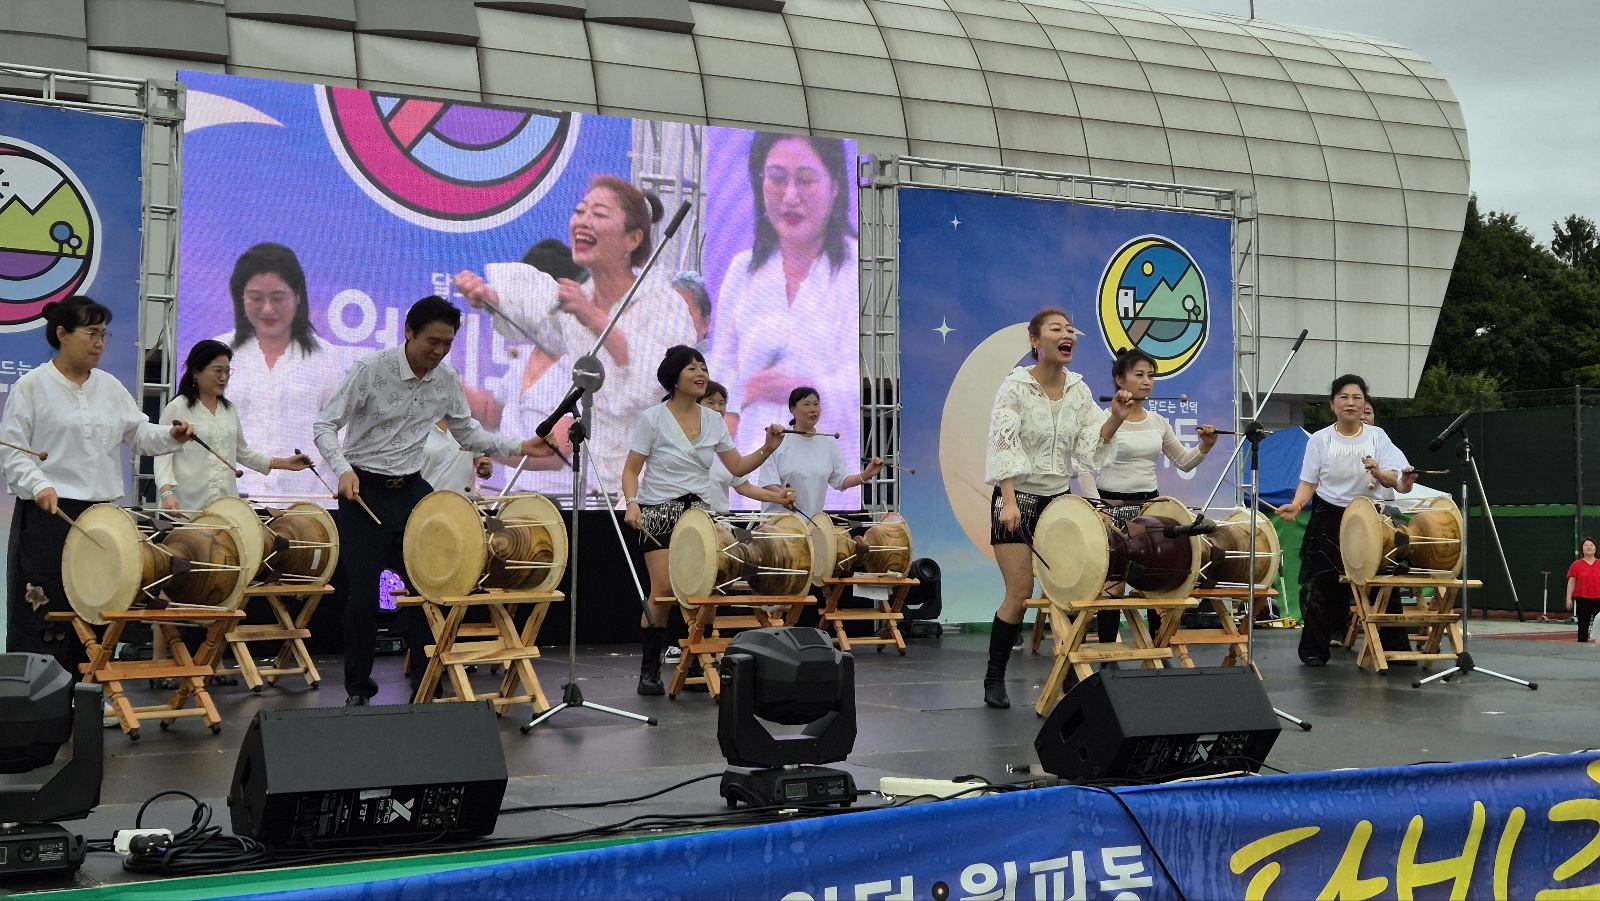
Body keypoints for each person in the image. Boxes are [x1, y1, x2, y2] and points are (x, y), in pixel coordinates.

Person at [312, 296, 553, 706]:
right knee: (365, 597)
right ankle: (358, 691)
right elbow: (325, 425)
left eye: (447, 343)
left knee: (430, 590)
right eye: (432, 342)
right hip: (364, 491)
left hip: (412, 492)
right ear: (409, 332)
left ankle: (427, 686)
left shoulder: (446, 379)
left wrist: (520, 445)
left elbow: (468, 433)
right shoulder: (370, 369)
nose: (439, 351)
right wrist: (343, 470)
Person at [454, 177, 695, 497]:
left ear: (632, 239)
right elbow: (537, 318)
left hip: (654, 484)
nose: (583, 221)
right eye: (580, 211)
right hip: (597, 487)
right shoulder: (580, 300)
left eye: (599, 214)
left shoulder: (662, 303)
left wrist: (594, 318)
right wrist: (490, 298)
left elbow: (662, 381)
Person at [0, 297, 195, 677]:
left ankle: (88, 692)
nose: (100, 343)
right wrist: (39, 484)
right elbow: (13, 451)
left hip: (100, 519)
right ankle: (42, 698)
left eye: (104, 335)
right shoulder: (32, 386)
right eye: (91, 334)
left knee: (96, 610)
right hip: (49, 518)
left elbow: (139, 435)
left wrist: (170, 435)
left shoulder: (109, 387)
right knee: (46, 614)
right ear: (62, 334)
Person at [982, 309, 1134, 709]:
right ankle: (994, 677)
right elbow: (1004, 444)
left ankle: (1069, 672)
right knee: (1020, 593)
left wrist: (1116, 418)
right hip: (1017, 499)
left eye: (1070, 330)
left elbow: (1090, 446)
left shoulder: (1079, 391)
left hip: (1059, 502)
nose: (1067, 335)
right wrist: (1009, 501)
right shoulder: (1015, 387)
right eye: (1056, 329)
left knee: (1071, 592)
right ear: (1036, 341)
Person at [620, 345, 784, 695]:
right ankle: (650, 669)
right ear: (674, 377)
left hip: (700, 514)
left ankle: (695, 658)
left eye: (704, 368)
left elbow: (736, 466)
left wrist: (767, 448)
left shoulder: (713, 421)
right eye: (692, 368)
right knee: (664, 590)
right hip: (659, 512)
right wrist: (632, 503)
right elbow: (631, 469)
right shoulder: (653, 417)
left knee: (703, 588)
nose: (701, 374)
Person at [708, 135, 857, 450]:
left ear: (834, 186)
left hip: (833, 466)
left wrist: (803, 391)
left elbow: (874, 386)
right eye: (776, 179)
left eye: (805, 181)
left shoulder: (861, 271)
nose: (789, 197)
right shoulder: (742, 270)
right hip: (755, 466)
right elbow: (723, 370)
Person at [1274, 374, 1417, 666]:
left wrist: (1380, 473)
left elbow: (1397, 481)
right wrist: (1297, 504)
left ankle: (1394, 649)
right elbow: (1309, 482)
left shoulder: (1377, 437)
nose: (1350, 402)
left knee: (1381, 581)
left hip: (1370, 518)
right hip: (1330, 515)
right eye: (1344, 397)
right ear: (1332, 404)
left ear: (1364, 404)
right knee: (1325, 582)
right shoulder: (1319, 439)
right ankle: (1315, 649)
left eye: (1357, 398)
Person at [1089, 348, 1217, 644]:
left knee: (1156, 578)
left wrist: (1205, 447)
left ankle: (1157, 649)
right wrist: (1098, 507)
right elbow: (1087, 462)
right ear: (1119, 379)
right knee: (1113, 584)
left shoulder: (1158, 421)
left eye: (1150, 375)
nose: (1147, 381)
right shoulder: (1102, 418)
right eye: (1139, 375)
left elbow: (1184, 461)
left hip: (1149, 512)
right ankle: (1108, 655)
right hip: (1111, 509)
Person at [217, 243, 349, 501]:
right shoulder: (217, 351)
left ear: (298, 296)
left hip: (304, 502)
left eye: (278, 298)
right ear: (240, 297)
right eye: (256, 298)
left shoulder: (325, 357)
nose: (267, 309)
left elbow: (341, 432)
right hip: (231, 501)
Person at [156, 340, 313, 512]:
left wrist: (284, 463)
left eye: (227, 371)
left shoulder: (229, 409)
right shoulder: (178, 407)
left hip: (224, 509)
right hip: (184, 508)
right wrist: (166, 493)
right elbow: (162, 455)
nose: (224, 377)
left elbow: (241, 452)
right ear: (196, 372)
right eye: (217, 371)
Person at [757, 386, 883, 519]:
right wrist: (784, 495)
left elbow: (841, 480)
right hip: (778, 523)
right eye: (806, 404)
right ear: (792, 409)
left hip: (811, 524)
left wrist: (866, 474)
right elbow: (768, 482)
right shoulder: (778, 440)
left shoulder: (828, 442)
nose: (813, 409)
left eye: (816, 404)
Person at [699, 381, 793, 514]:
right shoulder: (684, 440)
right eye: (711, 402)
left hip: (719, 521)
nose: (717, 408)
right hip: (688, 520)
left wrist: (778, 497)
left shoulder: (726, 446)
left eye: (722, 403)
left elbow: (744, 487)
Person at [419, 421, 494, 496]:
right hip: (427, 500)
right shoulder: (416, 430)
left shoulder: (472, 426)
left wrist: (485, 471)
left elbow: (480, 466)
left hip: (464, 501)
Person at [1567, 538, 1600, 643]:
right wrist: (1568, 598)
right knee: (1583, 625)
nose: (1589, 547)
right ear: (1582, 549)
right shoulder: (1576, 565)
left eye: (1591, 545)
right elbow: (1571, 582)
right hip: (1582, 598)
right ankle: (1582, 646)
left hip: (1599, 598)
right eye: (1586, 545)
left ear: (1596, 548)